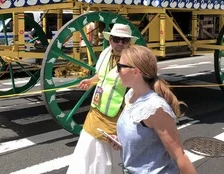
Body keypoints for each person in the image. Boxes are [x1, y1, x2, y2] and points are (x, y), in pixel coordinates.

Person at [111, 45, 197, 174]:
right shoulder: (131, 95)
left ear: (136, 71)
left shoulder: (155, 108)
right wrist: (122, 141)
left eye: (120, 67)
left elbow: (179, 155)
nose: (117, 71)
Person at [67, 23, 137, 174]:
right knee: (87, 152)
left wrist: (126, 125)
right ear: (110, 39)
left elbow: (135, 93)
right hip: (96, 111)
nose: (120, 43)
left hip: (116, 118)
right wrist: (90, 81)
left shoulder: (133, 61)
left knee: (110, 159)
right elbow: (101, 75)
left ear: (129, 42)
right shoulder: (105, 53)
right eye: (116, 39)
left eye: (124, 40)